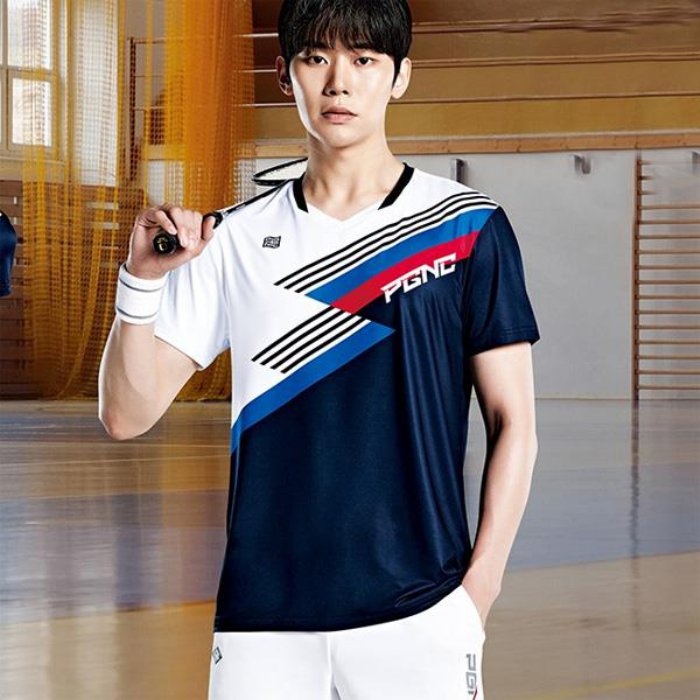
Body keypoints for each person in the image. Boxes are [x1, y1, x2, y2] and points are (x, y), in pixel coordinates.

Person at [98, 0, 541, 697]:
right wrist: (141, 281)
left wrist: (477, 592)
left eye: (364, 59)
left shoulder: (468, 227)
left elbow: (514, 424)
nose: (339, 81)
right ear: (285, 74)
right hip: (262, 622)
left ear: (399, 77)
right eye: (316, 58)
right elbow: (126, 415)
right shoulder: (232, 239)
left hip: (421, 613)